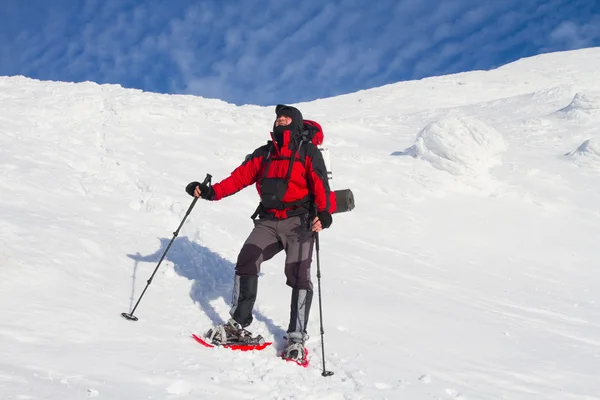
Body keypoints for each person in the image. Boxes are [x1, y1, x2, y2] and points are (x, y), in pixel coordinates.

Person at [185, 104, 333, 361]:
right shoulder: (264, 153)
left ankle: (296, 339)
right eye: (279, 118)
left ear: (296, 123)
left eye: (287, 118)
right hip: (267, 220)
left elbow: (320, 182)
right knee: (247, 259)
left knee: (298, 274)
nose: (282, 121)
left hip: (301, 221)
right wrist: (210, 192)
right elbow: (238, 178)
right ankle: (238, 325)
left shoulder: (307, 151)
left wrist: (324, 213)